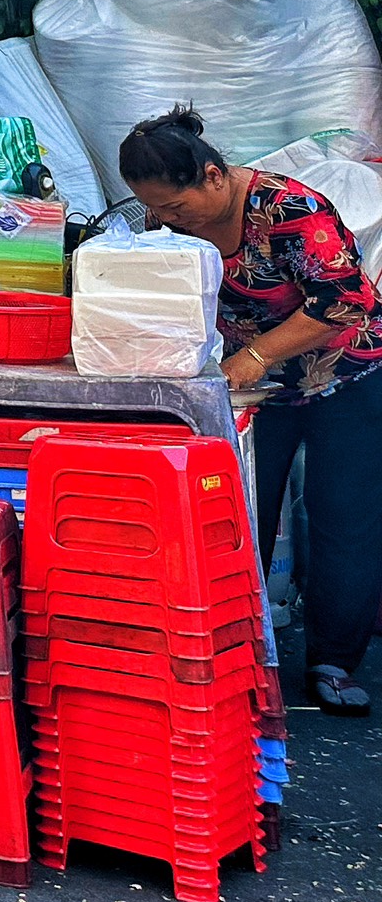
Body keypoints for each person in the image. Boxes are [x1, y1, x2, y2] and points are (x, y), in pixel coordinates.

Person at [120, 106, 382, 717]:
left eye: (174, 207)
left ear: (213, 176)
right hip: (252, 391)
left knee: (344, 517)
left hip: (346, 375)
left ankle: (333, 663)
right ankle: (235, 653)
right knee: (237, 514)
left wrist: (257, 354)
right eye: (155, 209)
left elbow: (346, 301)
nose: (165, 220)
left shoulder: (290, 209)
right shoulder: (174, 226)